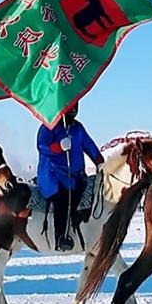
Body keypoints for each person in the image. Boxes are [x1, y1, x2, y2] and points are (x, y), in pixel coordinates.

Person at [37, 102, 105, 251]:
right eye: (70, 105)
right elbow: (42, 146)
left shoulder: (77, 128)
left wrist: (99, 161)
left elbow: (89, 145)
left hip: (76, 176)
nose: (73, 109)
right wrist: (58, 147)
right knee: (62, 198)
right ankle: (61, 237)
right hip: (54, 175)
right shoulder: (49, 127)